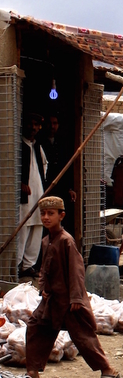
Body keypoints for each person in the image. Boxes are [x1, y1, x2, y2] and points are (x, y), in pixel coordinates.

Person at [25, 196, 119, 378]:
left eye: (51, 213)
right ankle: (32, 374)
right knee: (36, 327)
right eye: (43, 213)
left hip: (69, 301)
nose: (46, 217)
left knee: (83, 337)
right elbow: (44, 269)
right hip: (52, 300)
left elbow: (76, 271)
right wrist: (42, 287)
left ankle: (108, 371)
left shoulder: (66, 241)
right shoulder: (46, 241)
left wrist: (76, 297)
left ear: (62, 216)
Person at [18, 113, 47, 278]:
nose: (33, 128)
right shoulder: (18, 145)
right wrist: (19, 184)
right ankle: (17, 263)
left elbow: (44, 168)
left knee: (37, 227)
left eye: (36, 125)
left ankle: (28, 265)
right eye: (31, 124)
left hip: (38, 194)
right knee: (23, 228)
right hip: (24, 197)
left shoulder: (37, 146)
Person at [41, 115, 77, 235]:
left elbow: (67, 165)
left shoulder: (62, 142)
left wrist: (70, 188)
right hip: (46, 186)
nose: (52, 126)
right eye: (50, 123)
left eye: (55, 123)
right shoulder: (40, 142)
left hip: (61, 186)